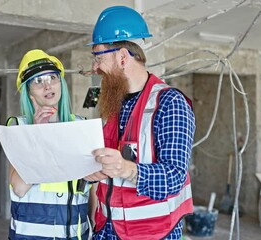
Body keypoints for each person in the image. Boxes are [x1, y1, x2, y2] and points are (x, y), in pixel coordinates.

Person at [84, 6, 195, 240]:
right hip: (107, 229)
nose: (95, 68)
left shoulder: (170, 103)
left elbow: (175, 176)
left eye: (99, 57)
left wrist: (125, 168)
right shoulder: (115, 103)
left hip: (153, 233)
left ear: (122, 57)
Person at [7, 49, 91, 240]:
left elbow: (89, 188)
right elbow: (20, 187)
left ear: (60, 83)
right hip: (32, 235)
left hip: (76, 234)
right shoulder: (18, 128)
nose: (47, 86)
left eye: (52, 77)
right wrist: (38, 135)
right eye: (37, 81)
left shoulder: (81, 126)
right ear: (28, 92)